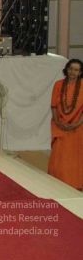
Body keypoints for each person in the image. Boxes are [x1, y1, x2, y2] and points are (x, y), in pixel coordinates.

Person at [47, 58, 82, 190]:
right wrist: (58, 122)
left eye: (76, 70)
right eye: (71, 69)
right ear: (66, 69)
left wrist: (76, 124)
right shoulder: (58, 84)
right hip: (59, 124)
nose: (73, 72)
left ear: (80, 72)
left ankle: (75, 183)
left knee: (74, 154)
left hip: (78, 126)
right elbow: (54, 106)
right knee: (59, 153)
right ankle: (57, 180)